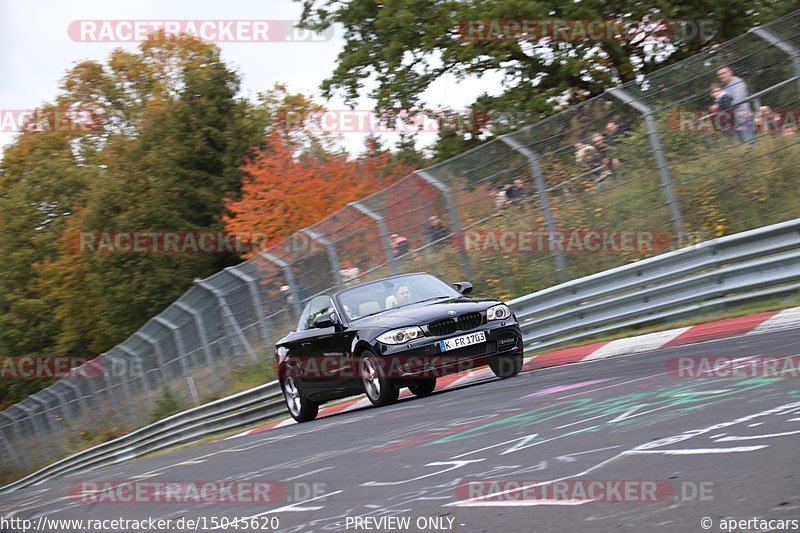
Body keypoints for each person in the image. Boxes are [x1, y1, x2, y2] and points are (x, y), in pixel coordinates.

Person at [716, 66, 754, 143]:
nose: (721, 76)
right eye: (719, 75)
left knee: (749, 142)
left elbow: (737, 101)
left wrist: (726, 106)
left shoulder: (737, 82)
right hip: (734, 119)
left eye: (723, 73)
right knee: (741, 144)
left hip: (743, 116)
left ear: (730, 72)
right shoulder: (726, 87)